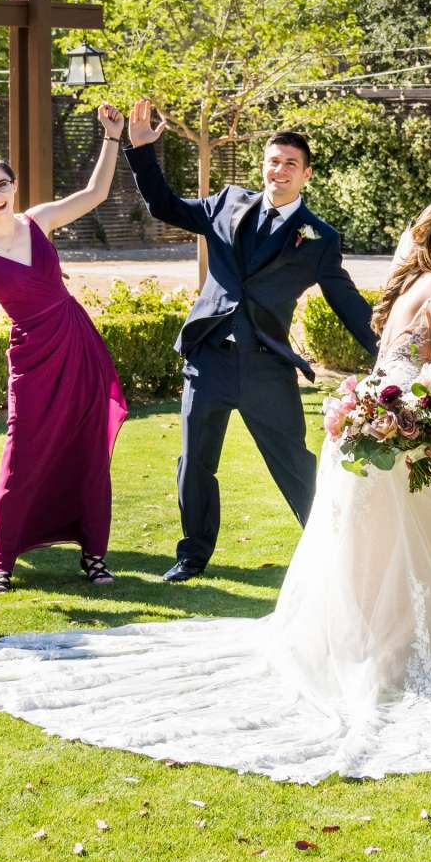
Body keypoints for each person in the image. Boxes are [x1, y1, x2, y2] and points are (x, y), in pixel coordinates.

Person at [0, 199, 431, 782]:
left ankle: (377, 649)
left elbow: (391, 358)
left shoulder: (406, 292)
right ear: (430, 246)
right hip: (410, 427)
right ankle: (424, 654)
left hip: (365, 420)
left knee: (374, 546)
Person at [122, 102, 378, 585]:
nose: (278, 170)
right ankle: (192, 556)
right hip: (209, 360)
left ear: (306, 174)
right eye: (272, 160)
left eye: (290, 164)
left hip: (267, 366)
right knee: (194, 462)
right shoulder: (226, 204)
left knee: (294, 465)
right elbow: (166, 206)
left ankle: (330, 551)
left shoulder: (319, 238)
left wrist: (386, 352)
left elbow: (345, 300)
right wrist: (142, 152)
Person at [0, 116, 131, 592]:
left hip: (80, 345)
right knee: (22, 454)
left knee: (89, 452)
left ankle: (94, 556)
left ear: (14, 186)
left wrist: (112, 138)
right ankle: (1, 563)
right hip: (32, 358)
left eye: (3, 184)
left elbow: (94, 194)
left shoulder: (40, 220)